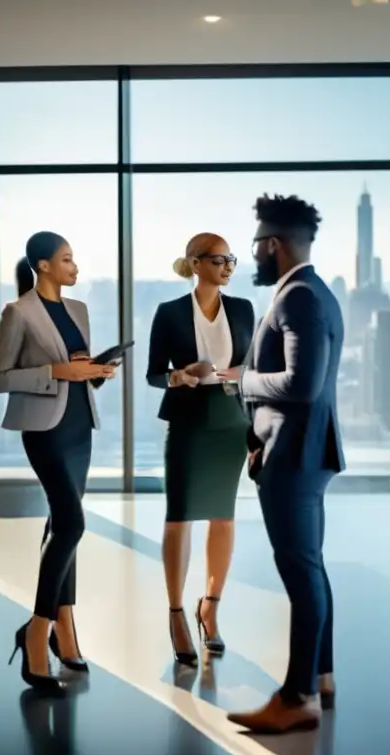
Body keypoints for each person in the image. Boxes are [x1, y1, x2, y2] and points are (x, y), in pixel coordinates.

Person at [220, 195, 344, 734]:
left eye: (255, 245)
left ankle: (296, 699)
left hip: (293, 455)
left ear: (273, 244)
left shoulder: (298, 298)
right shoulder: (315, 293)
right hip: (296, 449)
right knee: (309, 566)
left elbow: (301, 383)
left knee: (299, 571)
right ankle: (321, 677)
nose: (253, 255)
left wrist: (239, 380)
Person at [0, 231, 118, 692]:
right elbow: (1, 378)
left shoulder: (78, 310)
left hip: (79, 424)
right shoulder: (18, 313)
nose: (75, 266)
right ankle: (36, 629)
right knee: (72, 524)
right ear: (43, 266)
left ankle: (65, 629)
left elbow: (77, 369)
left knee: (59, 524)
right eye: (66, 259)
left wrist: (94, 371)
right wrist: (58, 372)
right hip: (44, 430)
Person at [145, 232, 254, 666]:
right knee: (178, 519)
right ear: (194, 263)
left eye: (231, 259)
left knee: (223, 518)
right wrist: (180, 376)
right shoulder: (169, 312)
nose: (228, 266)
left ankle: (210, 607)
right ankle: (175, 613)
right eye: (218, 259)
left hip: (231, 420)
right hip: (188, 421)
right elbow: (155, 373)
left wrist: (235, 373)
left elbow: (257, 366)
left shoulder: (243, 309)